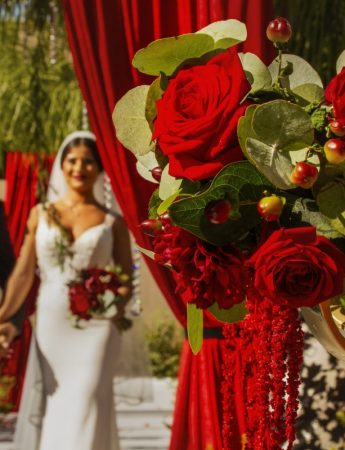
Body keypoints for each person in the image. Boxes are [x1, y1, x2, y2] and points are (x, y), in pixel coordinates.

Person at [0, 130, 132, 450]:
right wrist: (2, 317)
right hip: (52, 323)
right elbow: (22, 276)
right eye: (72, 160)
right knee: (58, 401)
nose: (79, 167)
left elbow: (127, 278)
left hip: (98, 325)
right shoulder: (40, 214)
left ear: (99, 169)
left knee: (88, 394)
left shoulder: (113, 222)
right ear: (61, 165)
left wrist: (113, 303)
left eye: (88, 161)